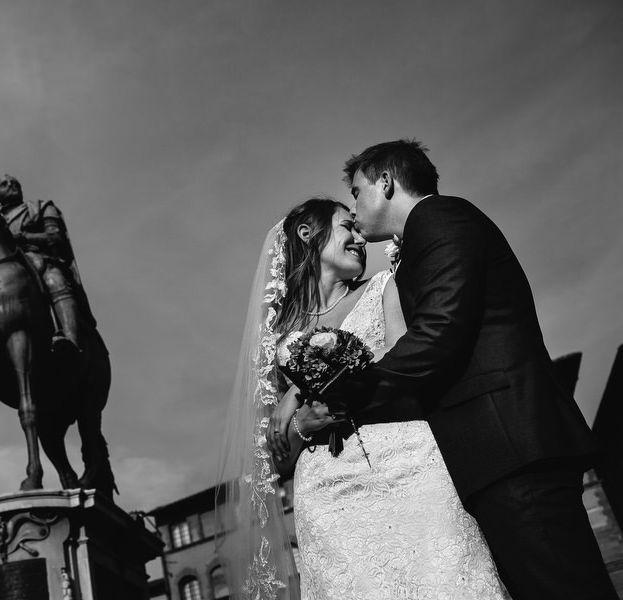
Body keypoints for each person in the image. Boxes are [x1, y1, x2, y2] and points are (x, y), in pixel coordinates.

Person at [332, 139, 616, 600]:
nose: (355, 207)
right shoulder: (426, 235)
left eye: (357, 192)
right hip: (495, 452)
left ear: (385, 183)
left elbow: (440, 330)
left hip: (511, 443)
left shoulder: (441, 218)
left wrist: (351, 393)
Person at [218, 197, 509, 600]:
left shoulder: (383, 287)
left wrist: (306, 389)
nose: (360, 239)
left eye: (359, 230)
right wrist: (301, 424)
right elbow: (276, 457)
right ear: (308, 234)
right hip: (325, 493)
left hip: (406, 466)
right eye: (347, 228)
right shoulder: (278, 339)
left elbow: (409, 376)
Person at [0, 174, 96, 357]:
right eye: (4, 184)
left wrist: (22, 238)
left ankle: (71, 339)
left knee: (55, 280)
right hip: (3, 267)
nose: (11, 185)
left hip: (39, 260)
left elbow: (55, 238)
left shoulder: (41, 207)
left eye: (15, 183)